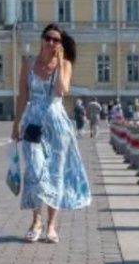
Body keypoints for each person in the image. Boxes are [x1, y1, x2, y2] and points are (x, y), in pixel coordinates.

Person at [11, 23, 91, 244]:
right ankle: (36, 221)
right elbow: (22, 96)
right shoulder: (28, 64)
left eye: (57, 40)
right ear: (41, 39)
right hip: (33, 124)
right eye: (48, 38)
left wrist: (60, 64)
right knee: (35, 171)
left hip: (57, 125)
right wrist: (16, 124)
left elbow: (61, 90)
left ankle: (52, 226)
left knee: (55, 173)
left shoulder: (64, 64)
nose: (52, 43)